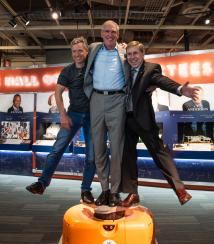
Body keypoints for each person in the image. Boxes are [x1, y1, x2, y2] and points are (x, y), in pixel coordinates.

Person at [119, 41, 202, 207]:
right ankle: (132, 193)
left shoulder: (151, 69)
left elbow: (162, 81)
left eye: (136, 53)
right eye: (130, 54)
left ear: (142, 55)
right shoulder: (124, 67)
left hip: (143, 119)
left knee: (159, 153)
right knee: (127, 157)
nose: (133, 57)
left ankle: (180, 190)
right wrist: (120, 50)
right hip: (125, 119)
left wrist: (179, 89)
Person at [26, 37, 96, 204]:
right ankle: (42, 183)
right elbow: (57, 93)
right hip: (73, 114)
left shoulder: (93, 68)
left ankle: (86, 190)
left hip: (93, 116)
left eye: (81, 50)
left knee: (92, 156)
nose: (77, 54)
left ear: (86, 51)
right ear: (71, 53)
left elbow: (98, 47)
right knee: (57, 150)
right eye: (74, 51)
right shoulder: (67, 71)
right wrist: (63, 115)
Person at [84, 20, 127, 206]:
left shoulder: (124, 51)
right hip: (96, 99)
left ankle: (115, 191)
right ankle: (104, 189)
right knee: (99, 147)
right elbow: (79, 62)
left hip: (117, 100)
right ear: (101, 33)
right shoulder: (93, 48)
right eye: (107, 31)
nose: (110, 35)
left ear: (118, 34)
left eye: (114, 32)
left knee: (117, 147)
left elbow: (137, 65)